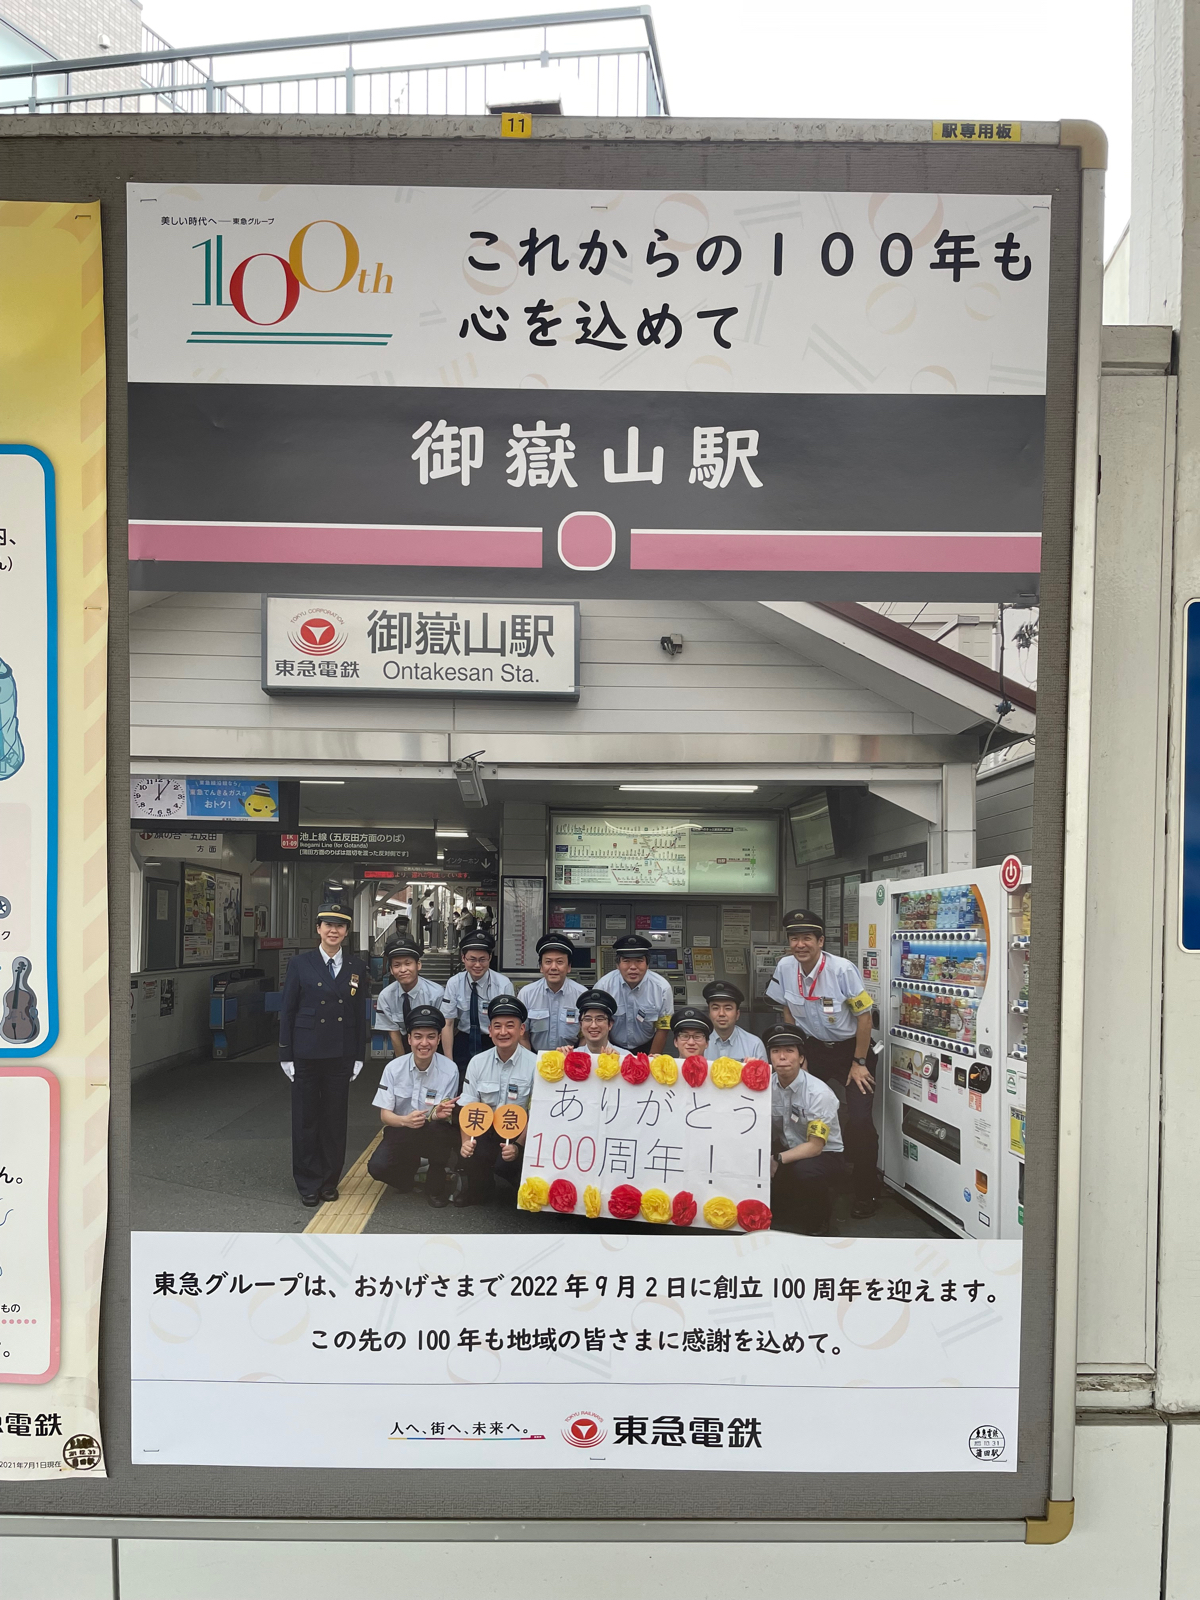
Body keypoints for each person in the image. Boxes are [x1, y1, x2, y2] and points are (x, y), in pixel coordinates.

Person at [766, 908, 880, 1219]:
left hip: (851, 1049)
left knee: (860, 1121)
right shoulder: (785, 967)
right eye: (794, 938)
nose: (799, 945)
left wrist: (859, 1062)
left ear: (820, 941)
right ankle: (803, 1179)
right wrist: (798, 1055)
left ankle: (866, 1191)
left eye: (806, 938)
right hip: (812, 1047)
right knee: (795, 1108)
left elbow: (865, 1018)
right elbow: (787, 1010)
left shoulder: (842, 970)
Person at [278, 900, 369, 1208]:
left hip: (340, 1052)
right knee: (305, 1119)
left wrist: (359, 1054)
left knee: (334, 1120)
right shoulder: (300, 963)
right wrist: (285, 1053)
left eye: (340, 926)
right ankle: (307, 1182)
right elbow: (288, 1009)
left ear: (346, 931)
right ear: (318, 928)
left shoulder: (356, 966)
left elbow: (358, 1012)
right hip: (305, 1051)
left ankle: (330, 1180)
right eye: (328, 925)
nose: (334, 930)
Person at [366, 1005, 459, 1208]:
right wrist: (404, 1121)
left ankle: (436, 1181)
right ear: (409, 1039)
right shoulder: (393, 1068)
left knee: (440, 1132)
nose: (424, 1043)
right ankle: (410, 1178)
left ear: (439, 1039)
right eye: (418, 1037)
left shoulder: (450, 1069)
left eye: (431, 1037)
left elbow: (443, 1112)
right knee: (377, 1167)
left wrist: (436, 1115)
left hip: (433, 1129)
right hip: (402, 1127)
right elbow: (385, 1115)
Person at [455, 994, 537, 1207]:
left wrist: (518, 1146)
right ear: (490, 1030)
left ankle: (517, 1179)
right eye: (497, 1026)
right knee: (470, 1152)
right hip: (485, 1129)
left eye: (510, 1026)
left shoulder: (535, 1064)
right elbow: (467, 1107)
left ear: (521, 1030)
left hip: (517, 1132)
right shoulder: (477, 1062)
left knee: (508, 1168)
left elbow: (537, 1114)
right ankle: (478, 1185)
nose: (503, 1032)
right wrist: (466, 1142)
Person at [766, 1023, 845, 1234]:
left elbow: (815, 1147)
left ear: (801, 1058)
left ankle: (820, 1220)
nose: (782, 1057)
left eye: (789, 1051)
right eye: (776, 1051)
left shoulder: (819, 1093)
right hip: (787, 1149)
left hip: (823, 1155)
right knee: (778, 1212)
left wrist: (777, 1159)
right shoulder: (765, 1087)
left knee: (806, 1172)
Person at [439, 929, 515, 1085]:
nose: (477, 965)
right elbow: (448, 1022)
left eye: (483, 960)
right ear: (463, 958)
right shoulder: (454, 983)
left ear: (490, 958)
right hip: (464, 1040)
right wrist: (449, 1062)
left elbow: (511, 1023)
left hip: (493, 1041)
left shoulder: (503, 984)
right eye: (472, 959)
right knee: (460, 1085)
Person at [593, 933, 673, 1055]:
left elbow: (663, 1027)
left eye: (639, 961)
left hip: (647, 1046)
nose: (633, 967)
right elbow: (598, 1024)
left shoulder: (662, 988)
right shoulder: (603, 986)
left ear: (647, 964)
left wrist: (651, 1060)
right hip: (611, 1047)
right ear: (617, 964)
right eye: (626, 961)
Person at [375, 936, 445, 1057]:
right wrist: (403, 1064)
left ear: (418, 965)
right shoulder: (386, 996)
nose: (403, 970)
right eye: (397, 965)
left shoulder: (436, 993)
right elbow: (394, 1034)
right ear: (391, 970)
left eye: (408, 964)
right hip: (402, 1046)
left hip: (432, 1046)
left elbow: (444, 1031)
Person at [520, 932, 587, 1052]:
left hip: (570, 1058)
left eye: (560, 962)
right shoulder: (527, 994)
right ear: (541, 967)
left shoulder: (582, 995)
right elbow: (522, 1036)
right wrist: (530, 1060)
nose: (554, 967)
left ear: (569, 967)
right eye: (548, 962)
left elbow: (586, 1036)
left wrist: (576, 1058)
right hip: (536, 1058)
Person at [702, 979, 767, 1062]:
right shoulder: (699, 1043)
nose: (721, 1013)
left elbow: (764, 1070)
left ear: (737, 1014)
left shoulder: (754, 1044)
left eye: (728, 1008)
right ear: (709, 1013)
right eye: (715, 1008)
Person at [577, 987, 618, 1054]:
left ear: (610, 1024)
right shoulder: (571, 1056)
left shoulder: (624, 1056)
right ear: (581, 1024)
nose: (593, 1026)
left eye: (600, 1019)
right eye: (588, 1019)